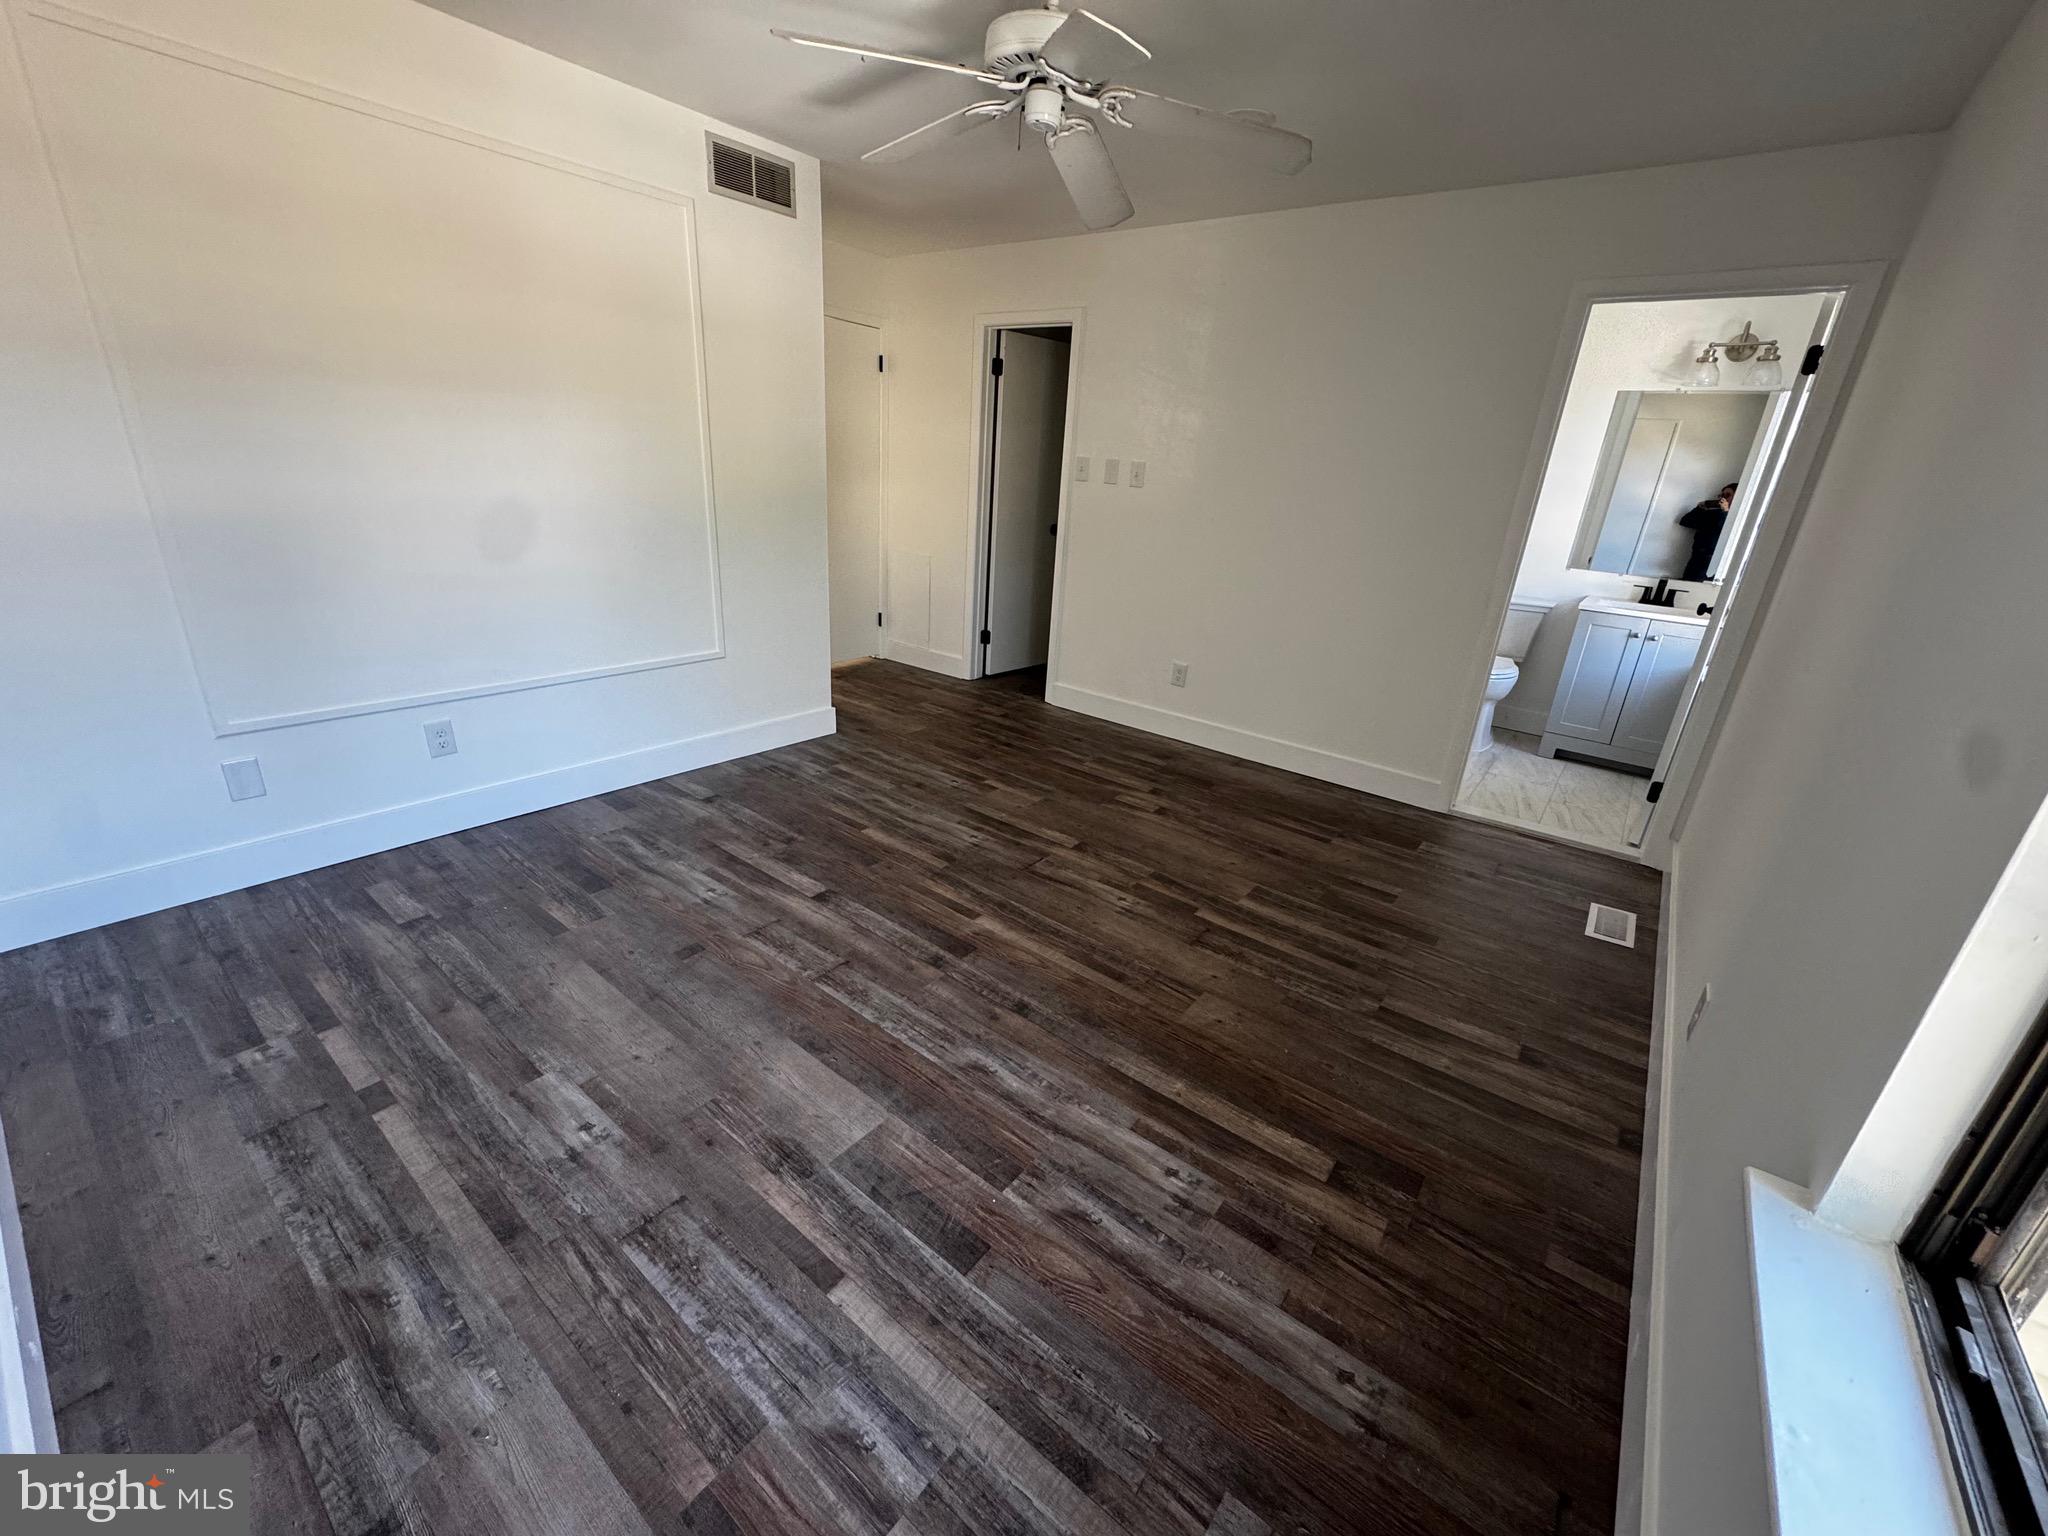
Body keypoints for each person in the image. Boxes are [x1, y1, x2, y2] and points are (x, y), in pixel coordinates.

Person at [1678, 482, 1736, 582]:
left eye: (1727, 495)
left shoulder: (1738, 518)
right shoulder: (1712, 514)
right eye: (1721, 495)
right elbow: (1685, 521)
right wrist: (1699, 509)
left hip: (1714, 562)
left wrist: (1725, 512)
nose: (1723, 498)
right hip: (1697, 557)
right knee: (1687, 585)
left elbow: (1725, 531)